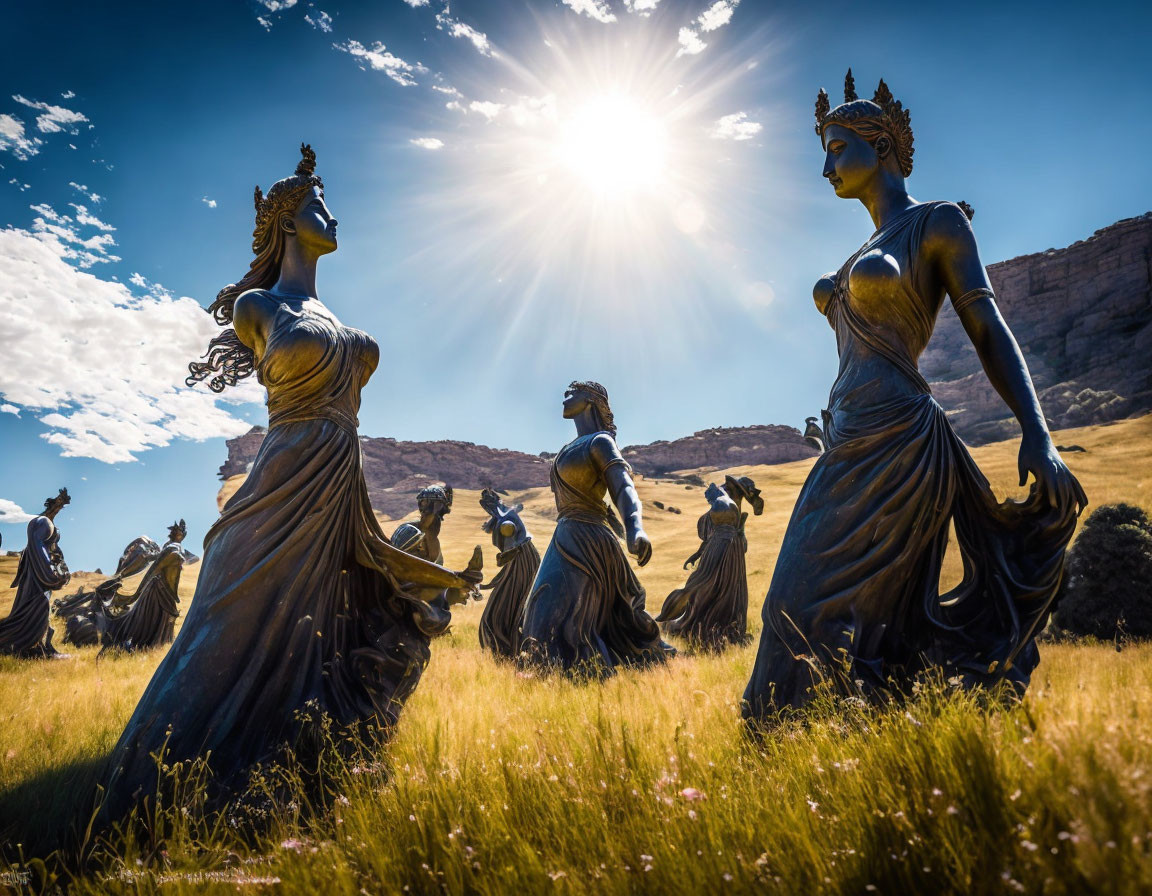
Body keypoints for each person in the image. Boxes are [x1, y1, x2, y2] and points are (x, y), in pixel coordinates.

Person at [98, 144, 481, 822]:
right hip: (281, 477)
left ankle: (301, 756)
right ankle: (162, 773)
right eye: (316, 206)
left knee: (325, 620)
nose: (332, 217)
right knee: (232, 619)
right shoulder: (257, 307)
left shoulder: (342, 323)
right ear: (285, 222)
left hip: (339, 484)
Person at [743, 73, 1087, 722]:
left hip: (901, 444)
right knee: (793, 607)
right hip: (846, 446)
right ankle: (821, 754)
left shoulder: (937, 222)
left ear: (882, 147)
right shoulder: (855, 255)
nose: (826, 166)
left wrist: (1036, 433)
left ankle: (833, 752)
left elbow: (987, 325)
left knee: (816, 608)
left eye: (838, 147)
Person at [519, 381, 674, 675]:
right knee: (539, 609)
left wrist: (634, 528)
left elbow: (623, 487)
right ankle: (547, 676)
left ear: (591, 400)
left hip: (589, 538)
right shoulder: (566, 450)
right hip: (565, 535)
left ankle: (582, 676)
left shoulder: (600, 442)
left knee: (569, 614)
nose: (565, 396)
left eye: (573, 392)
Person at [657, 475, 763, 650]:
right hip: (725, 546)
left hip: (729, 548)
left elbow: (734, 531)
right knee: (706, 586)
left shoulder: (729, 501)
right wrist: (698, 553)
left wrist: (738, 533)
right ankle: (701, 623)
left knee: (724, 587)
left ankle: (718, 626)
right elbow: (715, 530)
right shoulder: (727, 501)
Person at [100, 520, 192, 653]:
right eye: (176, 531)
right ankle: (144, 644)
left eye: (179, 532)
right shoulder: (171, 547)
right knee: (151, 617)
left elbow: (185, 560)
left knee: (162, 617)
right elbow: (156, 566)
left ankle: (160, 643)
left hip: (162, 588)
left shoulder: (174, 547)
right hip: (157, 589)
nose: (177, 534)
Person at [0, 488, 71, 657]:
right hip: (38, 576)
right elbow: (40, 549)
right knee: (37, 608)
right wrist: (51, 576)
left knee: (34, 609)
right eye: (58, 504)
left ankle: (39, 645)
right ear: (53, 504)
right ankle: (33, 647)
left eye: (61, 505)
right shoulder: (43, 523)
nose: (59, 508)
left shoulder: (45, 522)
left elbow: (46, 548)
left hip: (34, 574)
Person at [477, 488, 540, 659]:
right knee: (512, 600)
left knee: (504, 604)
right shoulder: (505, 515)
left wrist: (500, 560)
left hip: (520, 562)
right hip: (524, 559)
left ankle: (504, 646)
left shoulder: (506, 523)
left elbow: (509, 552)